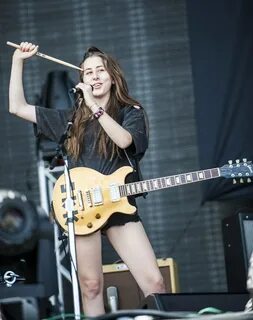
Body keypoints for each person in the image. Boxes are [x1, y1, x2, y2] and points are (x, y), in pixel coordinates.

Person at [9, 41, 166, 316]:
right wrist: (18, 61)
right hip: (83, 210)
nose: (94, 76)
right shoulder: (70, 119)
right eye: (88, 72)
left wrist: (95, 106)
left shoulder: (131, 112)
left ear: (113, 76)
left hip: (119, 206)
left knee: (154, 283)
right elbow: (17, 107)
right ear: (81, 80)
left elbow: (124, 140)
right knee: (91, 286)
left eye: (100, 70)